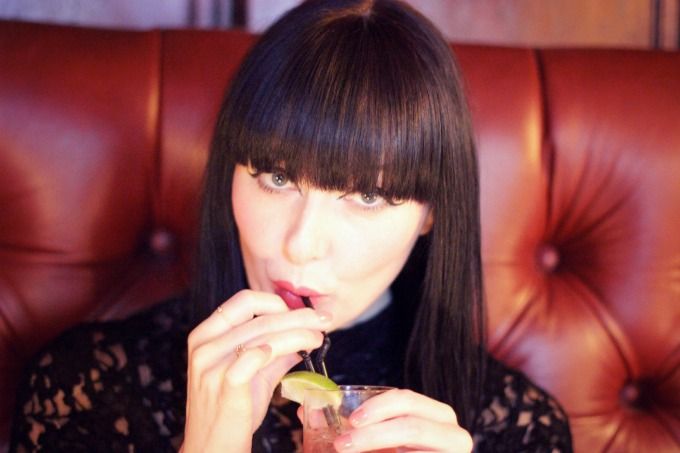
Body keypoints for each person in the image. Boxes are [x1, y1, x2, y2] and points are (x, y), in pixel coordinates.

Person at [10, 0, 572, 451]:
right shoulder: (86, 385)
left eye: (367, 196)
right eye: (277, 178)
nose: (301, 244)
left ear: (431, 213)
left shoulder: (518, 428)